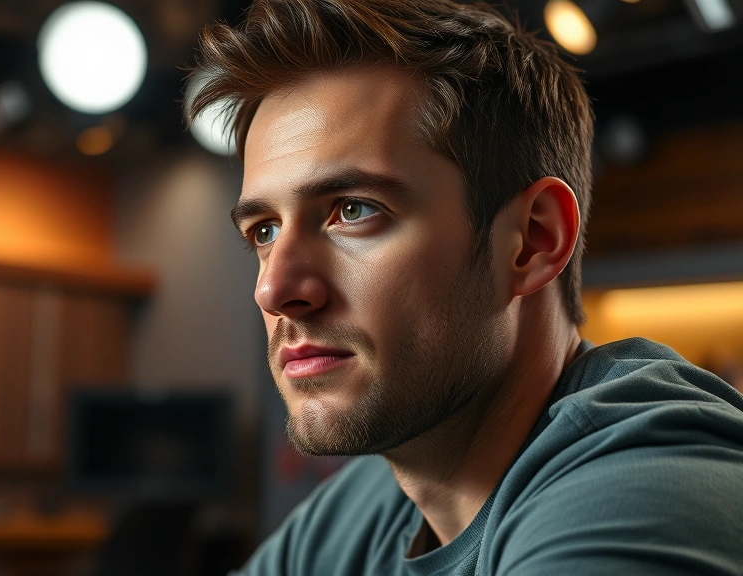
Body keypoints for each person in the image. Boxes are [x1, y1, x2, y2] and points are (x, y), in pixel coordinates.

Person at [183, 0, 743, 574]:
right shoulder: (360, 511)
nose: (274, 289)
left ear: (531, 240)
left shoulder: (643, 490)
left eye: (353, 210)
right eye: (265, 230)